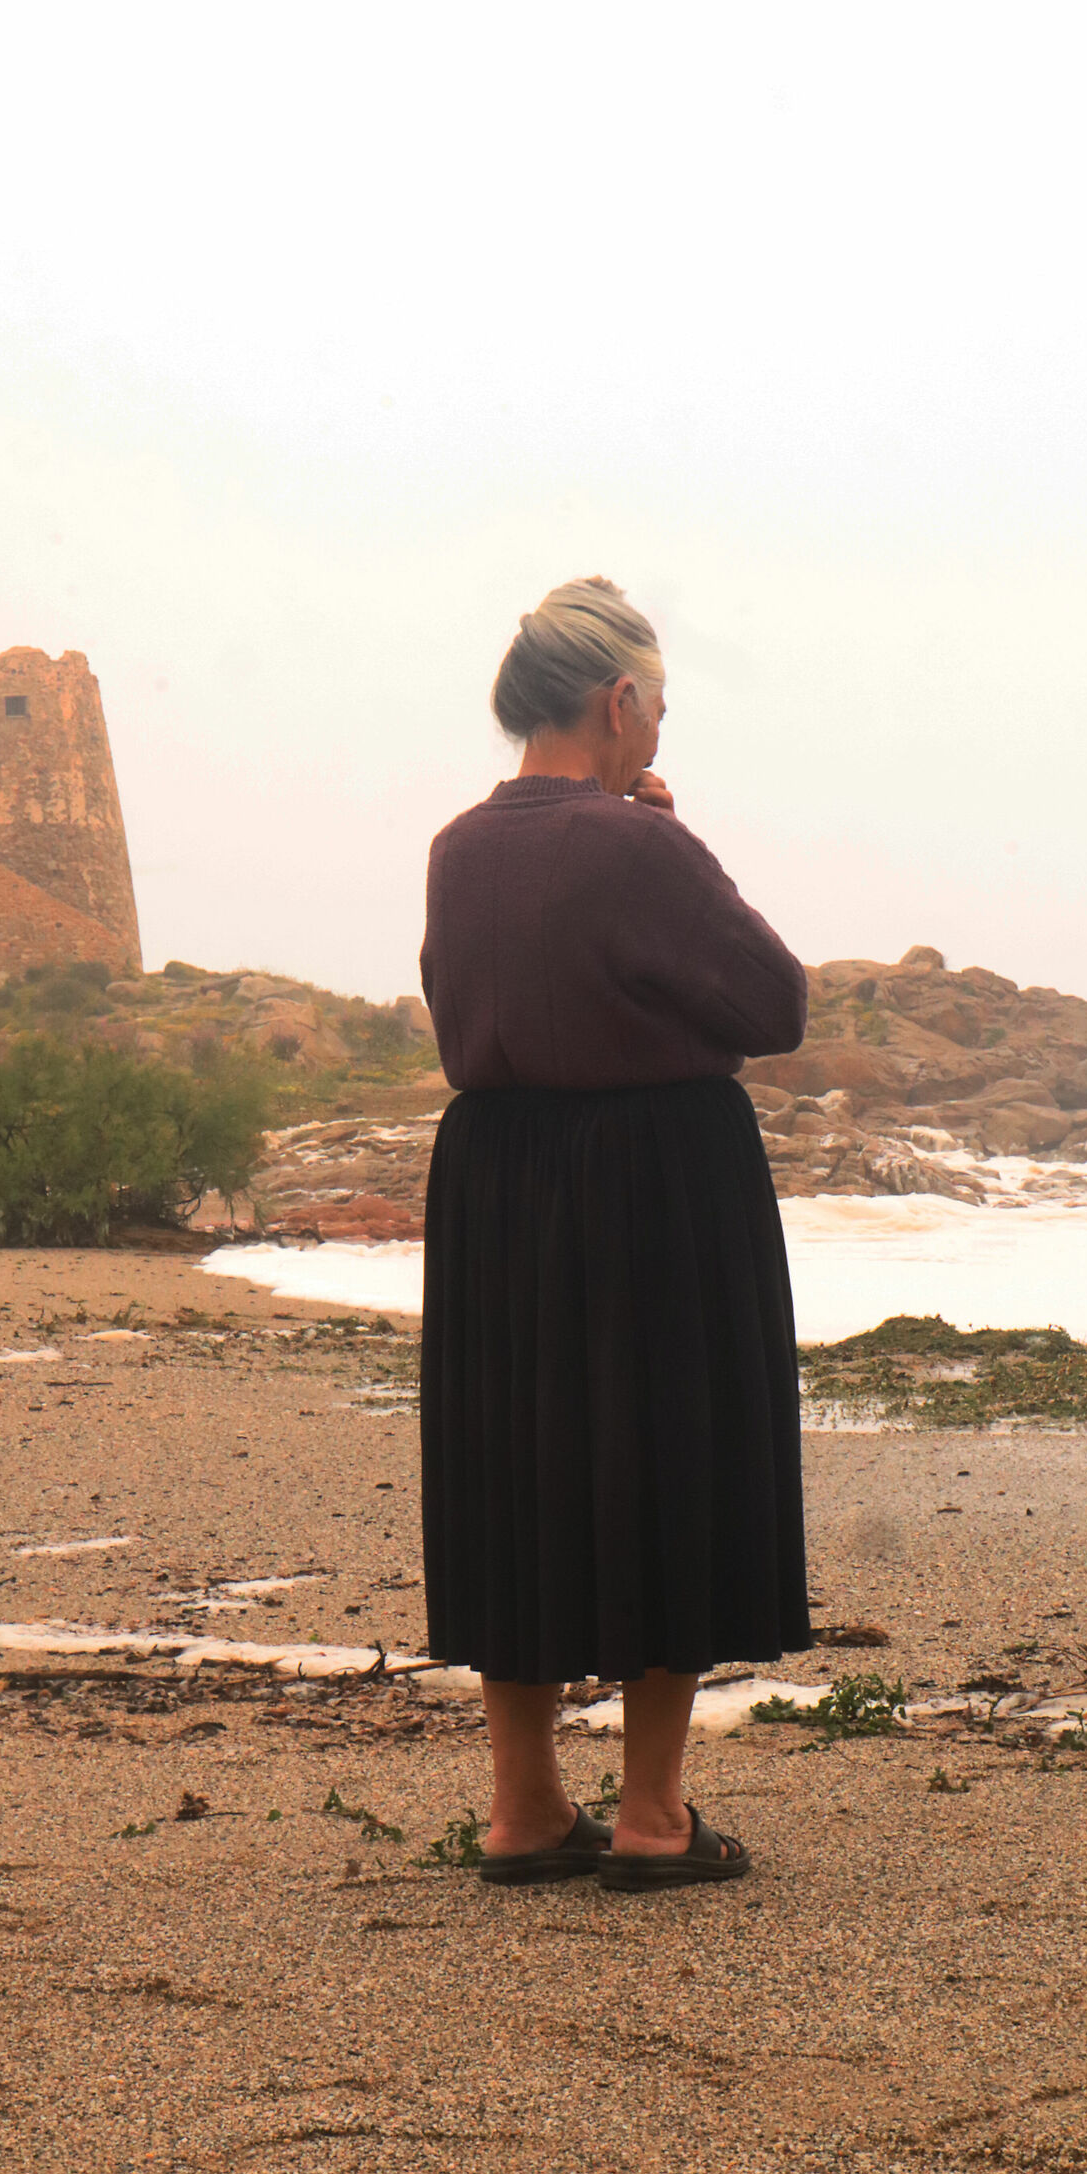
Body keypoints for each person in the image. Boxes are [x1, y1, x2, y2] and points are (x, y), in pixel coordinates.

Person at [418, 576, 810, 1891]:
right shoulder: (641, 846)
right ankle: (651, 1815)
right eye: (657, 705)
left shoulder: (457, 848)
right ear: (619, 702)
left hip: (495, 1178)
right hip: (657, 1173)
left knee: (514, 1465)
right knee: (669, 1463)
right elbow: (772, 1001)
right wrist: (680, 847)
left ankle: (524, 1810)